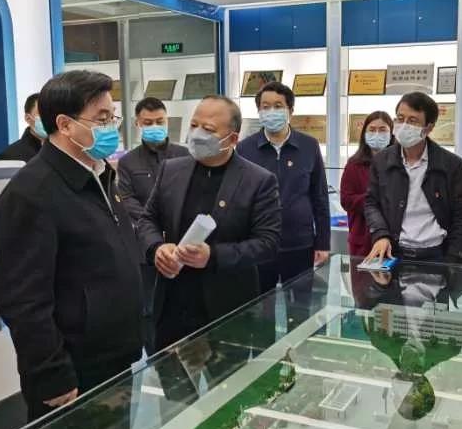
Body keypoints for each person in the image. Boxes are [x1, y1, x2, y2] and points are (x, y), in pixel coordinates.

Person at [0, 70, 142, 422]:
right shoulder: (31, 193)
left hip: (114, 356)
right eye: (101, 119)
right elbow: (23, 299)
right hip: (73, 370)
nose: (111, 128)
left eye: (113, 117)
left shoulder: (100, 174)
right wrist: (51, 373)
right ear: (65, 124)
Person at [138, 96, 282, 350]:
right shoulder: (171, 170)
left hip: (227, 307)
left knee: (229, 373)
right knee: (169, 372)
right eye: (194, 125)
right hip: (172, 303)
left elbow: (267, 243)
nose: (197, 134)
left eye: (208, 129)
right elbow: (148, 219)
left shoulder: (258, 181)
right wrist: (157, 248)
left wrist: (213, 255)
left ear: (232, 139)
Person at [237, 82, 330, 291]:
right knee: (259, 305)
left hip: (300, 243)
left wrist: (323, 242)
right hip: (259, 244)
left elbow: (320, 197)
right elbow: (239, 200)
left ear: (290, 111)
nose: (271, 111)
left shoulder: (309, 145)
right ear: (259, 111)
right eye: (265, 106)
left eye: (278, 106)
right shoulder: (245, 148)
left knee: (301, 305)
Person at [364, 91, 462, 264]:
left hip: (438, 254)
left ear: (429, 127)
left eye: (412, 120)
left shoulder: (451, 164)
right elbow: (371, 203)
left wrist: (453, 258)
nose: (404, 125)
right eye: (400, 119)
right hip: (396, 252)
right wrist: (380, 234)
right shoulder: (381, 161)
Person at [117, 98, 189, 354]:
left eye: (160, 121)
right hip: (146, 246)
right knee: (149, 309)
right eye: (148, 123)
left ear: (167, 121)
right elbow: (127, 200)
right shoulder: (128, 162)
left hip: (181, 242)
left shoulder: (185, 155)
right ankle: (155, 359)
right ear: (138, 124)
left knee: (182, 304)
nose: (155, 127)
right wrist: (153, 222)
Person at [340, 111, 394, 256]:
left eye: (382, 130)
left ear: (391, 133)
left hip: (394, 240)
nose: (377, 134)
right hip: (363, 240)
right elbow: (346, 200)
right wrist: (375, 199)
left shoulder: (399, 163)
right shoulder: (354, 164)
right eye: (372, 129)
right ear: (364, 133)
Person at [0, 92, 45, 161]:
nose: (48, 118)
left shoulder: (59, 150)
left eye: (51, 113)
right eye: (42, 113)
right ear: (28, 118)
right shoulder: (11, 156)